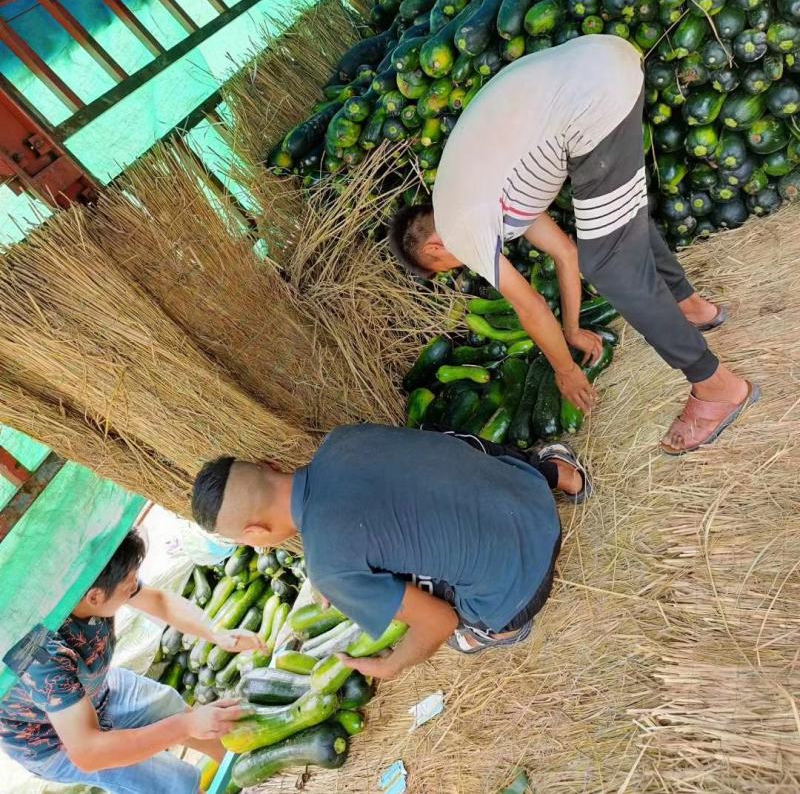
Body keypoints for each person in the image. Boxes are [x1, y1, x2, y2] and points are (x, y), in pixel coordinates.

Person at [387, 34, 758, 454]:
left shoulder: (458, 225)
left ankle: (717, 388)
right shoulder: (480, 192)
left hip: (591, 100)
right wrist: (572, 330)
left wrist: (564, 370)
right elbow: (564, 252)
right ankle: (693, 309)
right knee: (612, 227)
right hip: (603, 62)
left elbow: (530, 307)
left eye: (450, 266)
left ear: (434, 249)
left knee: (612, 264)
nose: (464, 264)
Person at [191, 424, 591, 675]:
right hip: (529, 494)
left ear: (256, 532)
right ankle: (558, 472)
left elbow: (440, 622)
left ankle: (503, 631)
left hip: (523, 589)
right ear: (269, 463)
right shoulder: (341, 439)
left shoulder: (328, 567)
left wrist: (391, 665)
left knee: (452, 631)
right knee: (444, 439)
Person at [0, 528, 255, 793]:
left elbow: (159, 601)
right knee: (174, 783)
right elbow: (89, 752)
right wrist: (186, 726)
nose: (135, 587)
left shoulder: (87, 578)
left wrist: (216, 633)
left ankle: (251, 775)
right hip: (55, 739)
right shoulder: (43, 656)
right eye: (129, 584)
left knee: (169, 705)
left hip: (95, 688)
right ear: (95, 597)